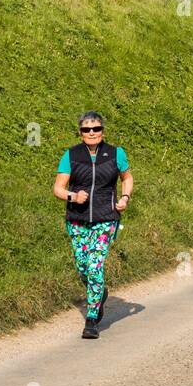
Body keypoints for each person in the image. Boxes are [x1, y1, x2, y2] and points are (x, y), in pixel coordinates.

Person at [53, 112, 133, 339]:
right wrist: (72, 196)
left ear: (102, 131)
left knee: (95, 265)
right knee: (82, 267)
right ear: (80, 133)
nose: (91, 133)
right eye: (86, 130)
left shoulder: (116, 153)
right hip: (77, 220)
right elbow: (58, 188)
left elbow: (126, 177)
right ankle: (99, 292)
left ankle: (92, 318)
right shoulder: (71, 155)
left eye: (96, 129)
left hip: (106, 218)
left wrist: (124, 198)